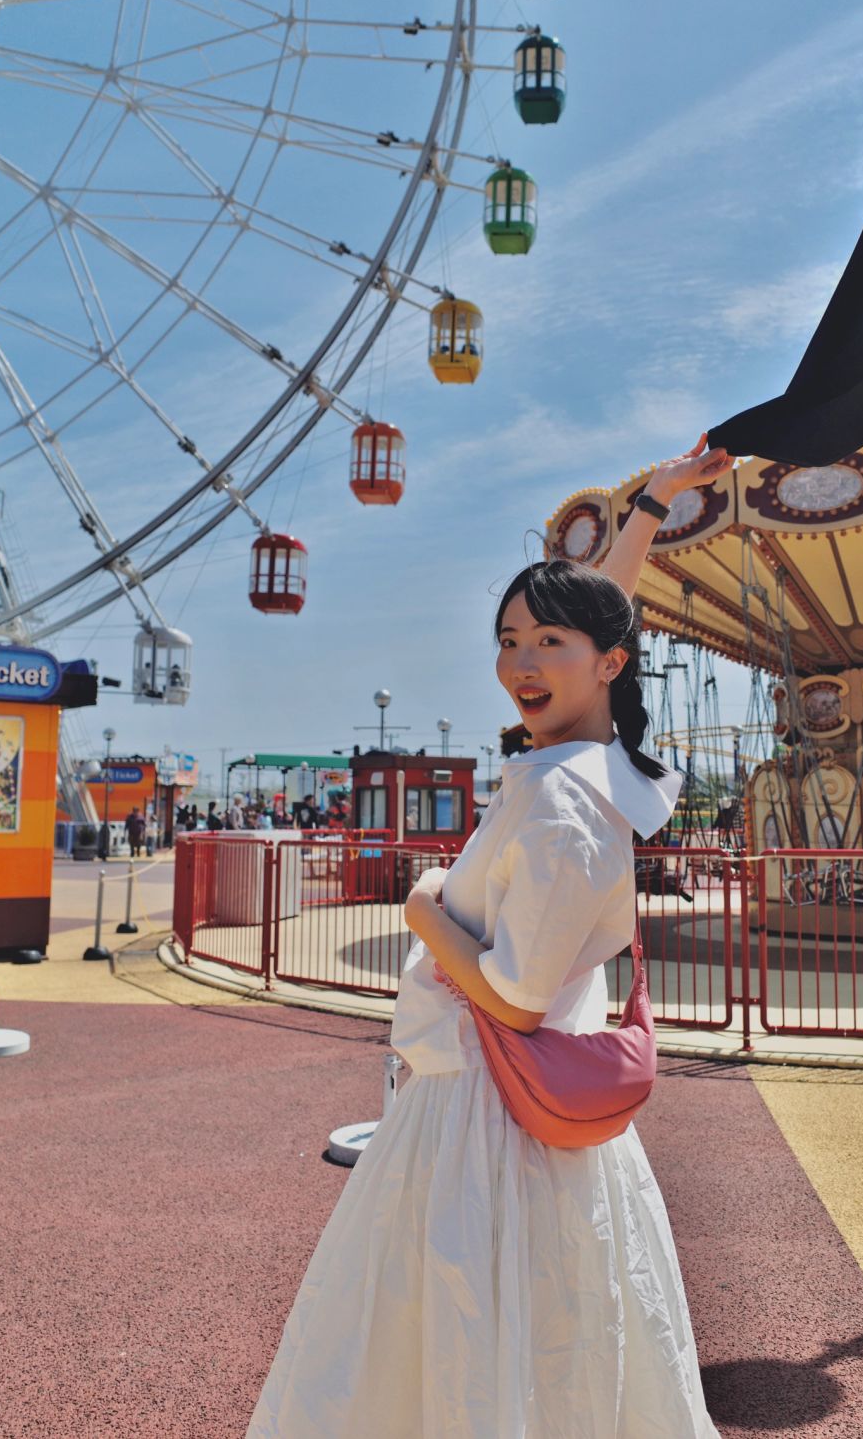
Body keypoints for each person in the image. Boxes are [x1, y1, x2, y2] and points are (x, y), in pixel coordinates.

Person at [245, 433, 734, 1439]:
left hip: (486, 1117)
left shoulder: (564, 804)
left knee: (458, 1341)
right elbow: (598, 619)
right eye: (509, 639)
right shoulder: (598, 766)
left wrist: (424, 907)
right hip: (525, 1114)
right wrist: (651, 505)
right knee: (549, 1342)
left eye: (545, 644)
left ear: (607, 665)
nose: (520, 661)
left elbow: (512, 992)